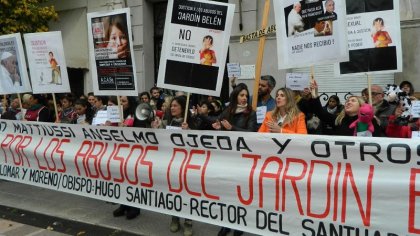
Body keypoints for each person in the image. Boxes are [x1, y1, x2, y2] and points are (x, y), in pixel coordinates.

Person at [214, 84, 256, 236]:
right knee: (227, 192)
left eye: (246, 95)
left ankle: (239, 226)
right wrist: (217, 127)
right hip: (227, 157)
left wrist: (231, 128)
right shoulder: (228, 110)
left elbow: (251, 132)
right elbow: (217, 122)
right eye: (242, 95)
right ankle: (226, 224)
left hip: (242, 159)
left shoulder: (250, 113)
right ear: (235, 96)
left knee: (240, 194)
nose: (245, 98)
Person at [151, 95, 195, 236]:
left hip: (186, 165)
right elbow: (158, 138)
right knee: (174, 193)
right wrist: (156, 128)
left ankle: (188, 222)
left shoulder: (191, 122)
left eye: (176, 105)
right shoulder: (166, 122)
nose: (172, 108)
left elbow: (197, 143)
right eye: (172, 106)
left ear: (183, 107)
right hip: (171, 165)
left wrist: (188, 131)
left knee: (187, 194)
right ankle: (175, 219)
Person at [113, 96, 142, 220]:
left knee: (133, 179)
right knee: (121, 179)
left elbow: (140, 133)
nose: (121, 103)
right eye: (119, 101)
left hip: (133, 152)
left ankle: (135, 208)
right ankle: (124, 204)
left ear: (130, 103)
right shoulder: (116, 114)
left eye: (123, 101)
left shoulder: (137, 115)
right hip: (120, 152)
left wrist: (126, 129)